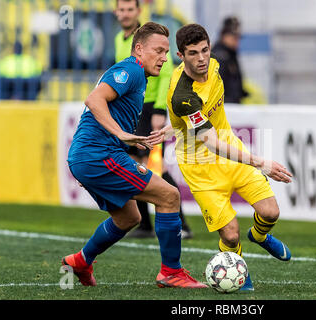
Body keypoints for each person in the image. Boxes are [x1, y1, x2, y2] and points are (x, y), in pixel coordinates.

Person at [148, 24, 293, 291]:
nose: (201, 58)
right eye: (193, 53)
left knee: (270, 212)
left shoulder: (214, 66)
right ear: (181, 55)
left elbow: (197, 121)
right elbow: (210, 141)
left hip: (230, 151)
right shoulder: (183, 94)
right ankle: (237, 268)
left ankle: (259, 235)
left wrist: (172, 128)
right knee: (230, 232)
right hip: (200, 167)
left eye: (205, 50)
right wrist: (261, 162)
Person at [62, 22, 206, 289]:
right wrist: (121, 134)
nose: (164, 58)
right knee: (169, 195)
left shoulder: (137, 75)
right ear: (139, 49)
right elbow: (94, 100)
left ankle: (81, 261)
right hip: (97, 155)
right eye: (158, 51)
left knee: (129, 218)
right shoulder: (131, 69)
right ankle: (171, 272)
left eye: (166, 52)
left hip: (91, 156)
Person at [114, 0, 193, 239]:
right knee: (131, 165)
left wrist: (160, 111)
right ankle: (145, 224)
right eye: (122, 9)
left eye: (130, 9)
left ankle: (182, 224)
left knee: (155, 165)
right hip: (132, 110)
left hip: (150, 110)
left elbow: (167, 71)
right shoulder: (120, 39)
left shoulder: (150, 39)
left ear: (138, 11)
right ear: (116, 12)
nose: (126, 14)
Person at [212, 16, 248, 104]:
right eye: (234, 38)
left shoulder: (230, 54)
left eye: (238, 38)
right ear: (224, 36)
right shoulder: (219, 56)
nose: (237, 42)